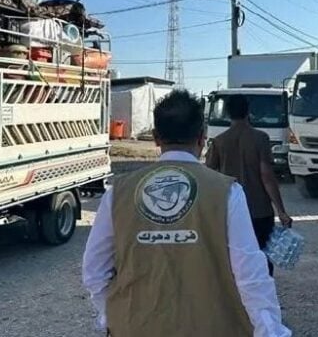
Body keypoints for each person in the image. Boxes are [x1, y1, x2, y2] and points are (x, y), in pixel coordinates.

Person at [83, 90, 290, 337]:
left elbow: (94, 271)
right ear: (202, 137)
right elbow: (250, 276)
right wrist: (271, 331)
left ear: (156, 138)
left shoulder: (118, 192)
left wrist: (114, 315)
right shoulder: (227, 192)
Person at [206, 94, 292, 276]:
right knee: (262, 258)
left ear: (228, 114)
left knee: (233, 259)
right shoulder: (261, 138)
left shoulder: (219, 142)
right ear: (248, 112)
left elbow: (209, 176)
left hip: (230, 211)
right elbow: (266, 176)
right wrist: (281, 211)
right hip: (259, 210)